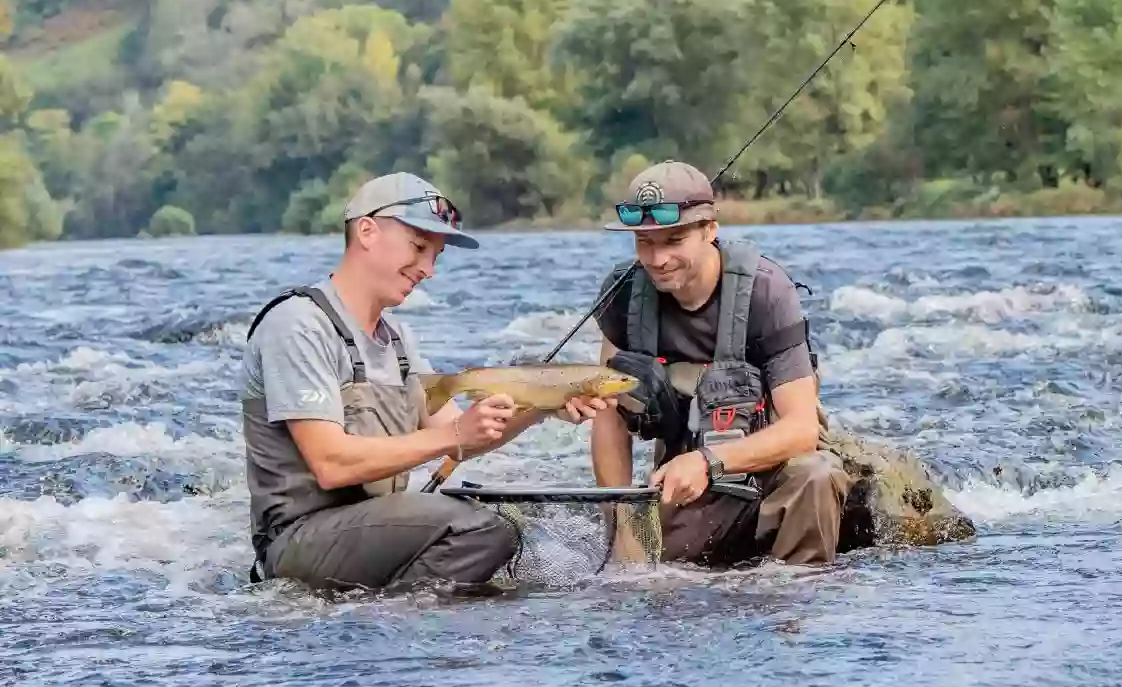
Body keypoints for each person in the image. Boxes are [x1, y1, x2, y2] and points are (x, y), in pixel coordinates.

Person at [240, 172, 612, 593]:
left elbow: (461, 438)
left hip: (367, 529)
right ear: (367, 231)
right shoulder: (298, 324)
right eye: (419, 248)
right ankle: (396, 619)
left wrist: (544, 406)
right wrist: (454, 434)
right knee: (481, 530)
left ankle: (395, 611)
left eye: (436, 256)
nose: (429, 270)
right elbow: (331, 464)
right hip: (297, 539)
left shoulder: (397, 339)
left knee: (502, 528)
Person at [588, 160, 853, 566]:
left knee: (817, 475)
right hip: (686, 489)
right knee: (651, 579)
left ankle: (799, 601)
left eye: (674, 240)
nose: (657, 259)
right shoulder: (623, 297)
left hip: (772, 478)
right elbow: (607, 418)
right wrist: (621, 522)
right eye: (644, 242)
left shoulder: (767, 293)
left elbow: (801, 429)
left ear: (710, 230)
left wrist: (708, 462)